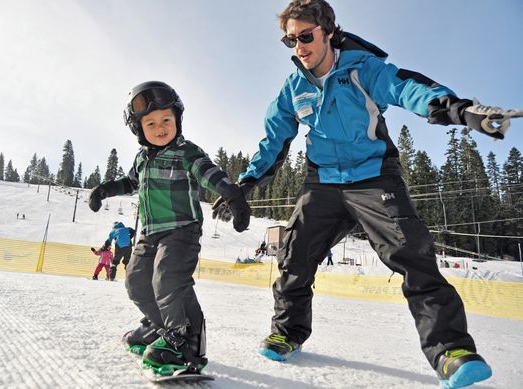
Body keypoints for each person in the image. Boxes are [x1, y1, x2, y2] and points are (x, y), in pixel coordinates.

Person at [212, 1, 508, 387]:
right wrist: (246, 183)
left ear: (328, 33)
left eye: (306, 36)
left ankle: (451, 351)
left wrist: (457, 109)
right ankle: (288, 333)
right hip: (322, 184)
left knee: (413, 257)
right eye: (290, 40)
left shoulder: (362, 69)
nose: (299, 46)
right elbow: (273, 142)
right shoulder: (293, 89)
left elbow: (407, 87)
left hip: (373, 177)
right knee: (294, 255)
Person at [88, 81, 250, 376]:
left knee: (168, 278)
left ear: (177, 120)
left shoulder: (186, 152)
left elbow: (208, 173)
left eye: (166, 119)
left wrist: (232, 194)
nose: (160, 127)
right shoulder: (141, 159)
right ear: (139, 129)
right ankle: (159, 327)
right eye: (150, 123)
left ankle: (184, 340)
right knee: (136, 282)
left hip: (182, 230)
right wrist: (103, 190)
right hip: (150, 232)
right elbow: (129, 183)